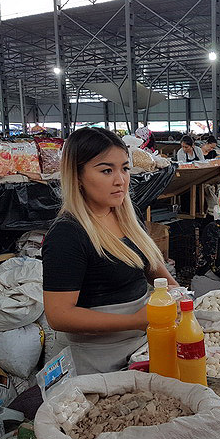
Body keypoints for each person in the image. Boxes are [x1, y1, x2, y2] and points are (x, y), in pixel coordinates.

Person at [41, 127, 177, 375]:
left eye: (124, 168)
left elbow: (149, 261)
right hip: (97, 359)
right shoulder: (67, 234)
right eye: (106, 170)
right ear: (77, 175)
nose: (121, 180)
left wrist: (174, 289)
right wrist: (136, 321)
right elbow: (58, 315)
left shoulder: (126, 212)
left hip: (140, 344)